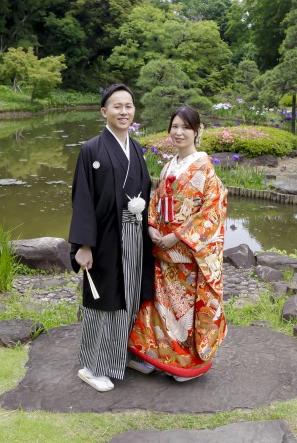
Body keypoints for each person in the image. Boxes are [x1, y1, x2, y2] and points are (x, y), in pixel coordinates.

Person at [127, 106, 228, 382]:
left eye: (186, 127)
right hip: (164, 250)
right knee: (165, 311)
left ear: (198, 131)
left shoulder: (205, 167)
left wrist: (179, 236)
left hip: (187, 253)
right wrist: (150, 225)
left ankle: (188, 365)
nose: (179, 132)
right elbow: (157, 200)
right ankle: (168, 360)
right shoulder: (170, 164)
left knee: (186, 315)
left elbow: (211, 212)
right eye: (175, 126)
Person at [68, 83, 154, 392]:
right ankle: (91, 366)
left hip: (134, 233)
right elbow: (82, 198)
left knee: (129, 295)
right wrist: (83, 245)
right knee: (102, 297)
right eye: (117, 106)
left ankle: (123, 353)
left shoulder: (137, 147)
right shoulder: (92, 148)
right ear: (104, 111)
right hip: (104, 236)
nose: (124, 112)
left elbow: (145, 189)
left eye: (129, 106)